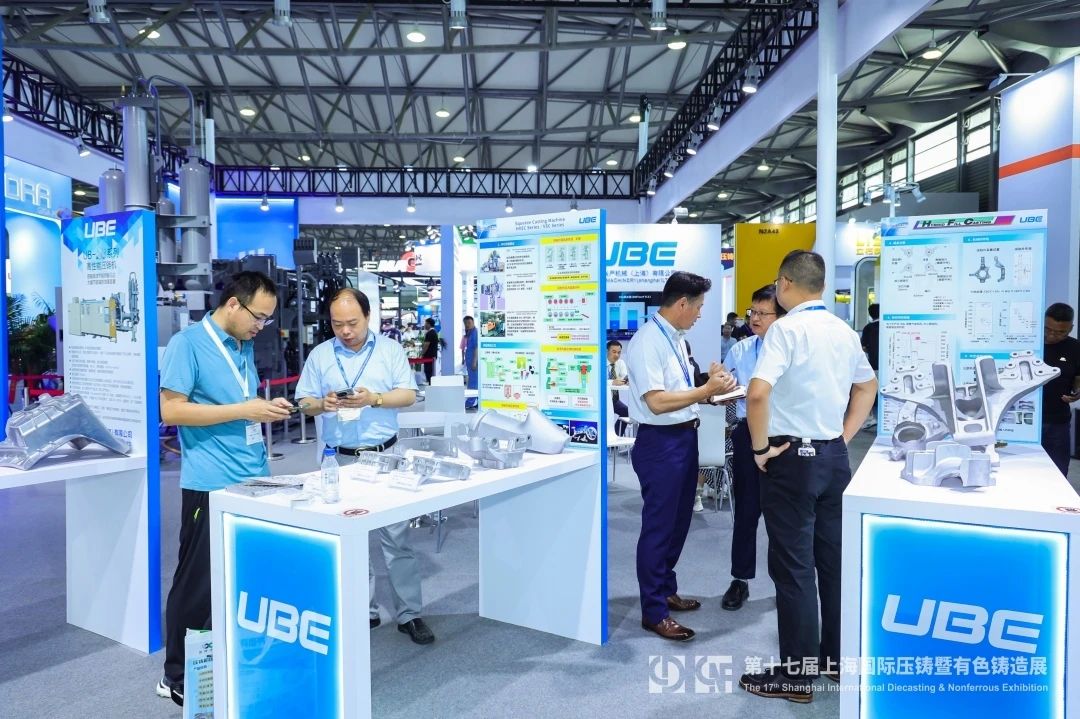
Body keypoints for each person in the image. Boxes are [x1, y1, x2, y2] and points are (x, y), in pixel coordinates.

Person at [739, 251, 876, 703]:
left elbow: (757, 395)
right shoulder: (844, 330)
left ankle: (797, 677)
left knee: (793, 568)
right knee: (832, 563)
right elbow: (867, 386)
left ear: (784, 283)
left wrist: (760, 449)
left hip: (792, 461)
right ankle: (833, 661)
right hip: (834, 459)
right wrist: (843, 435)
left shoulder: (786, 329)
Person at [157, 271, 293, 705]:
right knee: (197, 584)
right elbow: (172, 411)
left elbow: (239, 404)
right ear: (233, 304)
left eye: (268, 319)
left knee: (243, 575)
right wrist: (244, 409)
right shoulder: (187, 344)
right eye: (258, 317)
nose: (262, 326)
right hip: (210, 484)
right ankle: (176, 674)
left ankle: (224, 656)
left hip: (253, 477)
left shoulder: (242, 344)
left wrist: (263, 409)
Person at [294, 288, 434, 645]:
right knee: (349, 538)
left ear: (368, 317)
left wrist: (375, 399)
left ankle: (410, 614)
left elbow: (409, 394)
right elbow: (303, 401)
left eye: (352, 323)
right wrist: (321, 404)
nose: (345, 331)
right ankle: (362, 611)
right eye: (337, 324)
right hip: (340, 460)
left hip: (386, 456)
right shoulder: (321, 355)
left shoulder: (389, 350)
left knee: (397, 539)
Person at [625, 271, 737, 642]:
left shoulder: (676, 339)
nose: (701, 314)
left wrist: (710, 385)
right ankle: (653, 612)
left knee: (677, 523)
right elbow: (657, 402)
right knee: (659, 527)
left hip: (684, 439)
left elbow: (681, 391)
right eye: (699, 306)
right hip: (661, 443)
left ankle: (665, 588)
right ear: (683, 303)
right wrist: (704, 390)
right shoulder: (647, 342)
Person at [719, 284, 786, 609]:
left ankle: (787, 584)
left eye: (763, 313)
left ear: (780, 317)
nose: (755, 318)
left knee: (785, 514)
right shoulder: (740, 350)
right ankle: (740, 579)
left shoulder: (793, 349)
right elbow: (725, 391)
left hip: (783, 434)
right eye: (752, 312)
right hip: (747, 433)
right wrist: (721, 385)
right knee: (746, 509)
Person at [1041, 303, 1080, 476]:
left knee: (1057, 473)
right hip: (1025, 420)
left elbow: (1078, 378)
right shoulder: (1029, 343)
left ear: (1070, 328)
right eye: (1047, 329)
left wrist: (1077, 392)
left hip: (1057, 422)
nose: (1051, 335)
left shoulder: (1075, 348)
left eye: (1059, 332)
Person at [463, 315, 479, 409]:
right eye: (465, 323)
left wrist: (474, 362)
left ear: (473, 322)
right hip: (470, 361)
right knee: (473, 381)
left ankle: (471, 402)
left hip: (473, 362)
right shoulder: (470, 333)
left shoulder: (475, 333)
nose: (467, 325)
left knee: (473, 382)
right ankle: (475, 401)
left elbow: (477, 348)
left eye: (469, 323)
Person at [420, 317, 439, 384]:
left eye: (425, 323)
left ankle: (430, 385)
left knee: (428, 371)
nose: (424, 325)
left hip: (429, 356)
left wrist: (422, 353)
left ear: (429, 324)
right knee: (430, 371)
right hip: (432, 355)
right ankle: (431, 384)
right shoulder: (434, 332)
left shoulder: (430, 333)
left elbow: (426, 345)